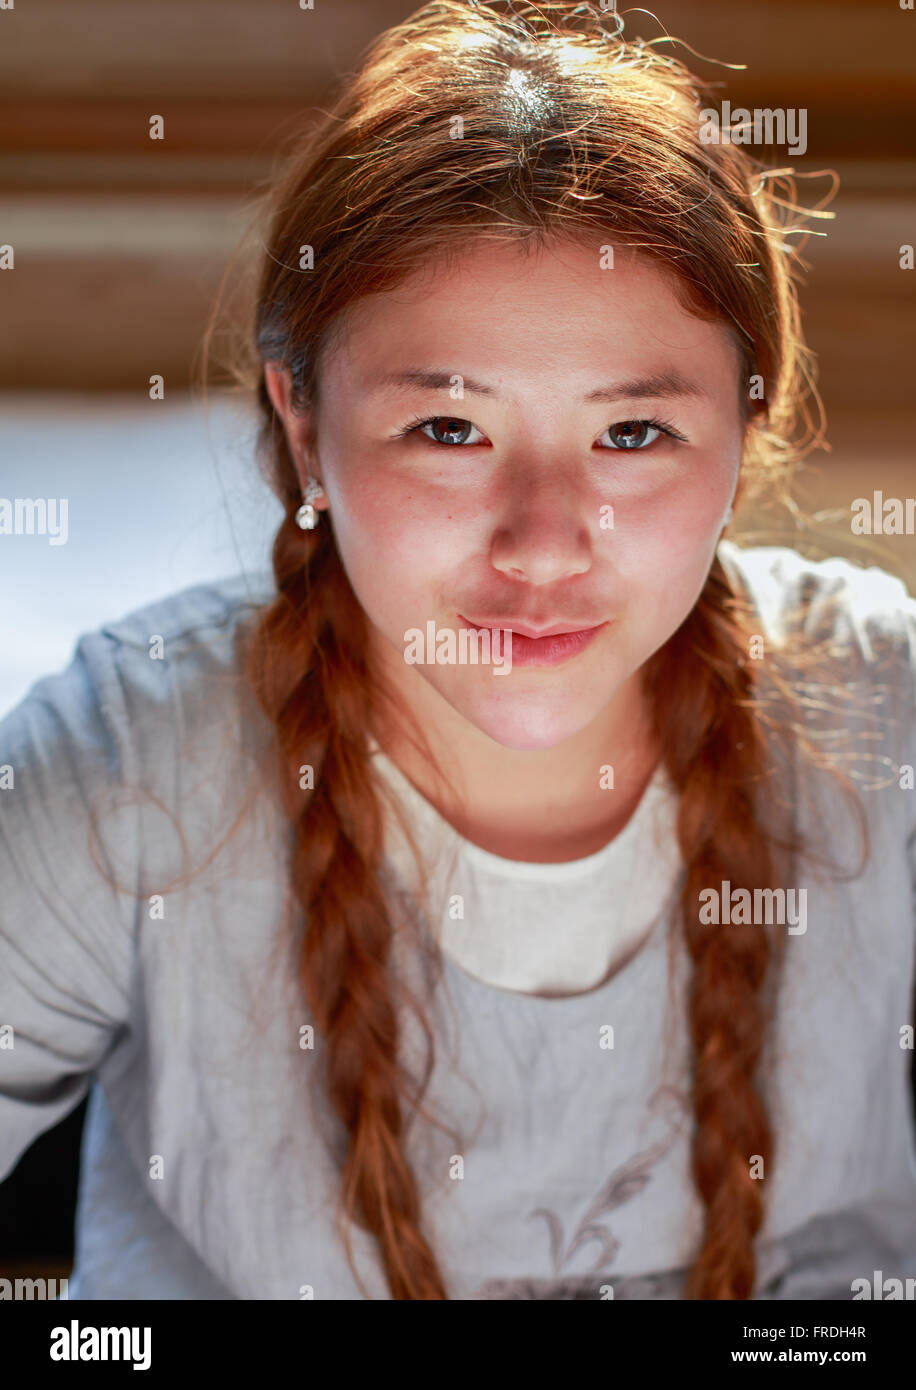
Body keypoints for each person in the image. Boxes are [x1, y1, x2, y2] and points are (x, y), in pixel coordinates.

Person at [1, 0, 914, 1302]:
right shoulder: (128, 761)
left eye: (634, 435)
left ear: (745, 434)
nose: (543, 544)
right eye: (447, 428)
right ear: (305, 428)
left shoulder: (884, 710)